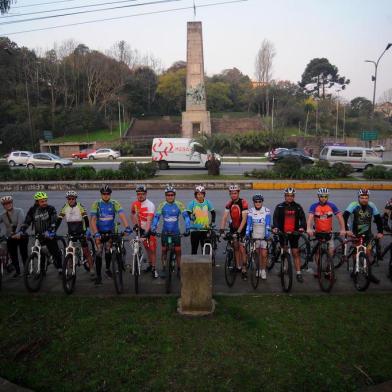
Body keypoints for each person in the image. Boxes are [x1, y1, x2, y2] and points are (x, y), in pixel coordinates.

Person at [90, 185, 132, 285]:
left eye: (107, 194)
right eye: (104, 194)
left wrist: (127, 227)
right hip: (99, 232)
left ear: (110, 194)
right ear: (101, 194)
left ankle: (108, 269)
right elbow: (93, 220)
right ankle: (99, 276)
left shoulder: (114, 203)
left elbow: (122, 215)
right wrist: (95, 233)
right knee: (99, 252)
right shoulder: (96, 204)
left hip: (110, 231)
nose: (106, 196)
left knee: (108, 251)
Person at [343, 188, 383, 284]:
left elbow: (378, 219)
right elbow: (344, 217)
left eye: (366, 197)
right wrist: (346, 230)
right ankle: (354, 271)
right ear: (358, 198)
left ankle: (368, 272)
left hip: (368, 234)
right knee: (355, 252)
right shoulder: (353, 205)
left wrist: (380, 232)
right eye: (362, 197)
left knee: (368, 252)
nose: (364, 199)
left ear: (368, 198)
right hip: (355, 233)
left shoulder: (372, 205)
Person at [151, 185, 190, 277]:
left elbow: (186, 217)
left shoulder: (179, 204)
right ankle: (164, 267)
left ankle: (179, 268)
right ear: (165, 196)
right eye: (168, 195)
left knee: (178, 250)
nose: (170, 196)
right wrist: (153, 228)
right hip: (165, 231)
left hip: (176, 232)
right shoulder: (162, 205)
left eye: (172, 195)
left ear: (174, 195)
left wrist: (188, 228)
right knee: (164, 250)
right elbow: (156, 218)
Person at [19, 191, 63, 274]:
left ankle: (60, 267)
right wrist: (22, 231)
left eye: (46, 200)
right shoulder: (32, 210)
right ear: (37, 202)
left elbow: (54, 221)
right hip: (39, 235)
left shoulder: (51, 208)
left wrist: (50, 231)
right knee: (41, 253)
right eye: (42, 201)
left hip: (49, 234)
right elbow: (27, 221)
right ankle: (42, 271)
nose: (45, 203)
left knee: (55, 252)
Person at [55, 190, 95, 280]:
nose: (71, 200)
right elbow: (59, 220)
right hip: (71, 232)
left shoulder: (80, 206)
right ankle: (70, 269)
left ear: (75, 199)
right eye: (69, 199)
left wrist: (88, 229)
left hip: (81, 231)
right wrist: (54, 230)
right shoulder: (65, 207)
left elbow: (86, 218)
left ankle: (92, 268)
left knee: (86, 251)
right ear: (67, 199)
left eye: (73, 198)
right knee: (69, 251)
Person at [307, 188, 346, 274]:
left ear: (327, 197)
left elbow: (339, 217)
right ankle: (319, 269)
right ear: (318, 196)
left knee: (330, 252)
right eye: (321, 196)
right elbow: (310, 218)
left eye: (325, 196)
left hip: (328, 232)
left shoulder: (332, 206)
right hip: (317, 232)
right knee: (317, 252)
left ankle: (327, 269)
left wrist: (343, 229)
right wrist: (308, 228)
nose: (323, 198)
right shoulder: (314, 206)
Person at [272, 187, 307, 283]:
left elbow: (303, 219)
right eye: (287, 196)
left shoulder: (298, 207)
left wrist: (301, 227)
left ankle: (299, 273)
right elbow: (275, 219)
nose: (289, 197)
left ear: (294, 196)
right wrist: (275, 227)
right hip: (282, 233)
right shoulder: (279, 207)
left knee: (295, 252)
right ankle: (284, 269)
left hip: (294, 233)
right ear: (285, 196)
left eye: (291, 196)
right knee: (284, 250)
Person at [220, 184, 249, 280]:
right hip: (233, 227)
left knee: (241, 248)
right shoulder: (229, 203)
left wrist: (239, 231)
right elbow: (224, 217)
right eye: (231, 193)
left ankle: (244, 270)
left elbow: (244, 219)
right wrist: (222, 229)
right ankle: (238, 267)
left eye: (235, 193)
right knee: (235, 247)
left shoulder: (243, 202)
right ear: (230, 194)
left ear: (238, 193)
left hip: (242, 228)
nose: (233, 195)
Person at [130, 184, 158, 279]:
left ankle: (154, 268)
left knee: (152, 249)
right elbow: (132, 214)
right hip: (141, 229)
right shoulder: (134, 204)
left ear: (146, 194)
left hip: (150, 229)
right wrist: (135, 225)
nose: (140, 196)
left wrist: (146, 233)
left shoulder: (150, 205)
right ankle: (150, 265)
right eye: (138, 194)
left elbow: (149, 220)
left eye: (142, 194)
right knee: (147, 248)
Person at [0, 195, 28, 278]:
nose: (8, 205)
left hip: (20, 236)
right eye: (5, 204)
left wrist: (17, 233)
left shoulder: (19, 211)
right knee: (13, 255)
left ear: (12, 203)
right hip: (10, 237)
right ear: (3, 205)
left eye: (9, 202)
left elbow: (20, 223)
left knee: (24, 254)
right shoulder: (3, 215)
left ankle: (26, 271)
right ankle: (18, 271)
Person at [245, 194, 271, 280]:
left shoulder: (266, 210)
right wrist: (247, 233)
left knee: (264, 254)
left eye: (259, 201)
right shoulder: (251, 211)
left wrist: (267, 234)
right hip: (255, 235)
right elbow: (248, 224)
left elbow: (267, 224)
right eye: (256, 201)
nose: (258, 203)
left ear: (262, 202)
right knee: (257, 254)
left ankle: (263, 270)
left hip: (263, 234)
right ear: (253, 202)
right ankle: (258, 269)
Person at [186, 185, 216, 255]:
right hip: (194, 230)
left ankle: (205, 264)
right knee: (194, 250)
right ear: (195, 195)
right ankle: (194, 264)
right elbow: (187, 215)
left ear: (204, 194)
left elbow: (213, 213)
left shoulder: (208, 202)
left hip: (205, 229)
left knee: (205, 250)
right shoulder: (192, 203)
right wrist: (191, 218)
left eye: (202, 194)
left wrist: (212, 222)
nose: (200, 196)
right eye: (198, 194)